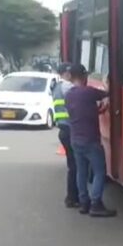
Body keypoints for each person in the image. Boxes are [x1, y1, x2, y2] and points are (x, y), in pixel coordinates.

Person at [64, 64, 116, 217]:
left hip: (75, 139)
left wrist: (99, 110)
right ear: (84, 76)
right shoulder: (88, 92)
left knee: (81, 171)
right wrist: (107, 82)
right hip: (90, 139)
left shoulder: (69, 95)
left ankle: (84, 202)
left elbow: (82, 113)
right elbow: (107, 93)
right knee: (100, 171)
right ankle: (96, 204)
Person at [52, 63, 79, 208]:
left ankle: (72, 197)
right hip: (69, 129)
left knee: (72, 165)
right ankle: (72, 197)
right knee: (75, 166)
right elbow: (81, 93)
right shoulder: (67, 87)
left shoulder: (56, 87)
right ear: (66, 73)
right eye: (70, 72)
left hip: (63, 129)